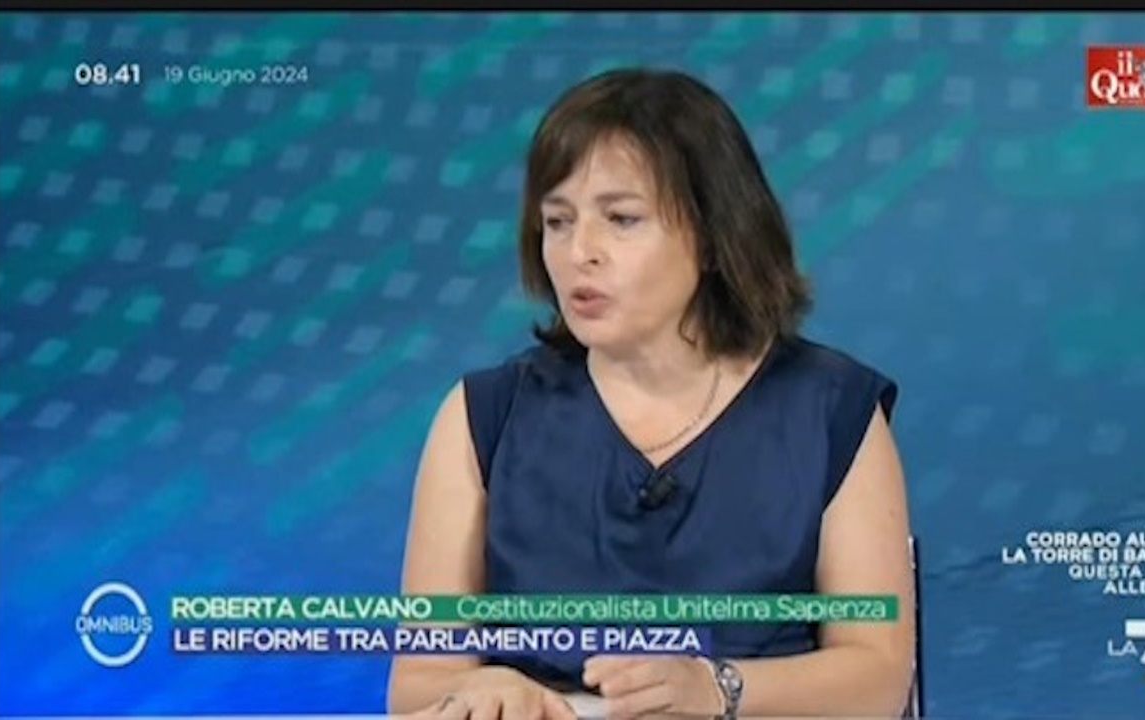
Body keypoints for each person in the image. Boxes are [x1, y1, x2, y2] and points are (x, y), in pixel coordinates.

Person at [387, 67, 915, 719]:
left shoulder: (832, 413)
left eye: (621, 219)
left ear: (715, 236)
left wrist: (716, 689)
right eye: (557, 221)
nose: (580, 252)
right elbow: (417, 683)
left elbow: (877, 677)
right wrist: (478, 691)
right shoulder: (484, 417)